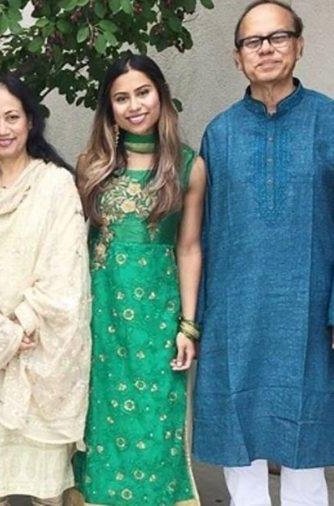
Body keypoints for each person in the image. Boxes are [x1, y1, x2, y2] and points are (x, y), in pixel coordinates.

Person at [195, 1, 333, 504]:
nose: (266, 49)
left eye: (278, 37)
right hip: (236, 315)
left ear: (299, 44)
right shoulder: (220, 133)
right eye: (253, 42)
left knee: (307, 452)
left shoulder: (329, 121)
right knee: (240, 453)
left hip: (311, 315)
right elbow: (203, 234)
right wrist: (197, 318)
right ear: (237, 58)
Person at [0, 74, 91, 506]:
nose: (2, 129)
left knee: (48, 489)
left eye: (12, 117)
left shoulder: (55, 185)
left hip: (41, 351)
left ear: (30, 121)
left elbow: (65, 268)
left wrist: (23, 324)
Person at [73, 53, 205, 506]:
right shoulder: (90, 165)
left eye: (143, 93)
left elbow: (188, 247)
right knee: (102, 426)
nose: (134, 106)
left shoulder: (188, 166)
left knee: (156, 424)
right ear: (109, 108)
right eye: (121, 98)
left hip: (157, 315)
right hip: (100, 313)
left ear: (161, 96)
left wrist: (188, 325)